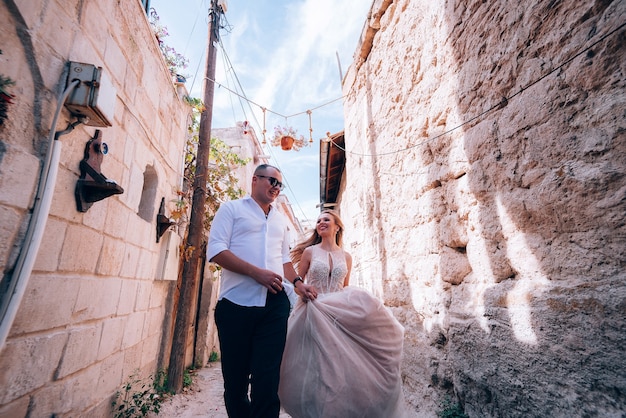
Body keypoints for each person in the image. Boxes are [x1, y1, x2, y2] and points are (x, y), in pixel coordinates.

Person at [207, 164, 317, 418]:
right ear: (255, 180)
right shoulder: (231, 209)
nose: (276, 187)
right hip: (235, 305)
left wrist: (299, 284)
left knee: (267, 380)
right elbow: (215, 250)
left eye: (280, 184)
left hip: (274, 306)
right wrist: (256, 273)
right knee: (235, 384)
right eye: (272, 181)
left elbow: (284, 261)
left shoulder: (280, 220)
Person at [278, 210, 408, 418]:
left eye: (326, 220)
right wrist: (305, 290)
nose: (321, 222)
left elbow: (344, 288)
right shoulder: (310, 252)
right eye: (318, 220)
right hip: (314, 312)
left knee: (338, 368)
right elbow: (298, 284)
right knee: (318, 367)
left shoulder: (346, 257)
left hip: (338, 316)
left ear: (337, 226)